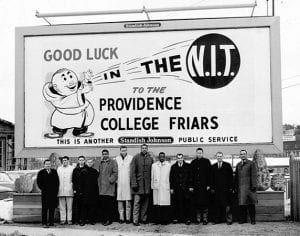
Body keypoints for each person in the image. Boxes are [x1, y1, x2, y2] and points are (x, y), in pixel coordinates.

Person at [130, 144, 153, 226]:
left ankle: (143, 219)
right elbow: (132, 171)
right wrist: (134, 183)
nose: (144, 149)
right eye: (142, 148)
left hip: (147, 185)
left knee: (145, 204)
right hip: (138, 185)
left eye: (145, 148)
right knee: (136, 203)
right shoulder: (136, 157)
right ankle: (135, 220)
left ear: (147, 149)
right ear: (140, 149)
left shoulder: (150, 158)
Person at [189, 147, 212, 225]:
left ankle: (205, 219)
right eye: (198, 153)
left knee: (205, 204)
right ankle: (198, 219)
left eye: (200, 153)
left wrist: (209, 184)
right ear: (196, 153)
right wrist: (191, 186)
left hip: (204, 187)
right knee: (197, 204)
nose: (199, 154)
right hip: (196, 187)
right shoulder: (193, 162)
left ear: (202, 153)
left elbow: (210, 174)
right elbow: (191, 175)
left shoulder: (207, 162)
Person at [235, 149, 258, 224]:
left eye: (244, 154)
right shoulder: (238, 165)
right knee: (242, 205)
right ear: (240, 155)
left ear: (246, 155)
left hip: (249, 188)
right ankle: (243, 220)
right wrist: (236, 186)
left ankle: (253, 220)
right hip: (241, 188)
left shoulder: (251, 163)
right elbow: (236, 177)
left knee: (251, 204)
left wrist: (254, 185)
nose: (243, 155)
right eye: (241, 154)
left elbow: (254, 175)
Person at [211, 152, 234, 225]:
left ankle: (229, 220)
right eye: (218, 156)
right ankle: (216, 220)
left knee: (227, 205)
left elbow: (231, 177)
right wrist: (212, 188)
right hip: (217, 190)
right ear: (216, 157)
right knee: (216, 205)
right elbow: (211, 179)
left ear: (222, 157)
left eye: (220, 156)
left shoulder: (227, 165)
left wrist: (231, 187)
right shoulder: (213, 166)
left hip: (226, 189)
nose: (219, 157)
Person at [169, 153, 192, 225]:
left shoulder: (188, 166)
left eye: (181, 158)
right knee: (176, 204)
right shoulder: (173, 167)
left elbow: (190, 177)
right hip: (176, 188)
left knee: (186, 204)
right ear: (177, 159)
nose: (180, 159)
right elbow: (171, 178)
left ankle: (187, 219)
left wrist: (190, 186)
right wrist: (172, 188)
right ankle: (176, 218)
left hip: (185, 188)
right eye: (178, 158)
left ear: (183, 158)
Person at [37, 159, 59, 228]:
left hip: (53, 194)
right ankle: (44, 223)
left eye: (49, 164)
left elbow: (57, 182)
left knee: (52, 208)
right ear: (44, 165)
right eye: (46, 164)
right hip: (45, 193)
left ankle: (51, 223)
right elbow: (39, 183)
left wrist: (55, 191)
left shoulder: (54, 172)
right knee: (45, 209)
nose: (48, 165)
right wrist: (44, 189)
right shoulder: (41, 172)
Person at [98, 149, 118, 226]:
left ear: (108, 154)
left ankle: (109, 220)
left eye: (106, 154)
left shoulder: (113, 162)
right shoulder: (101, 163)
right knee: (103, 205)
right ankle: (104, 219)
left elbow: (115, 173)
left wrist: (110, 180)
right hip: (102, 188)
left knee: (109, 205)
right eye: (103, 154)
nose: (105, 155)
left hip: (109, 187)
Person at [151, 152, 172, 225]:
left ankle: (165, 220)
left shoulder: (169, 165)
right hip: (157, 187)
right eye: (160, 156)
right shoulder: (154, 165)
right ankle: (157, 220)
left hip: (165, 187)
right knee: (157, 205)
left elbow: (170, 177)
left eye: (163, 156)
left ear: (165, 157)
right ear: (158, 157)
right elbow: (152, 177)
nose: (162, 158)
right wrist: (153, 186)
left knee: (165, 205)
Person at [116, 146, 133, 224]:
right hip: (119, 183)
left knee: (128, 202)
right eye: (122, 150)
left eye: (125, 150)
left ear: (127, 150)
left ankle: (128, 218)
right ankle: (121, 218)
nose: (123, 151)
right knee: (120, 201)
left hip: (127, 182)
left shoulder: (131, 158)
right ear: (120, 151)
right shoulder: (116, 159)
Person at [80, 158, 99, 226]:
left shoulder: (95, 171)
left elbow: (97, 183)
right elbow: (81, 183)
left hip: (93, 192)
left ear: (93, 163)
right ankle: (83, 220)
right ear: (86, 163)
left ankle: (91, 220)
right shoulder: (83, 171)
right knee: (84, 207)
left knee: (92, 207)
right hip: (85, 192)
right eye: (88, 162)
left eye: (91, 162)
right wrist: (81, 192)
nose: (90, 163)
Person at [57, 156, 74, 225]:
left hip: (69, 189)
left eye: (66, 160)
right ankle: (63, 219)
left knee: (69, 206)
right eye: (63, 160)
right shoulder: (59, 169)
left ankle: (69, 219)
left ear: (68, 161)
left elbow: (74, 179)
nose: (64, 161)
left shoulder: (72, 168)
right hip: (60, 189)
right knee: (62, 206)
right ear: (62, 161)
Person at [72, 155, 87, 225]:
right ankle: (77, 220)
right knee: (77, 206)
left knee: (83, 206)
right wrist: (74, 189)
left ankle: (83, 220)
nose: (81, 161)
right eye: (80, 160)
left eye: (82, 160)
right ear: (78, 161)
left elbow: (88, 181)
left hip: (84, 191)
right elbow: (73, 180)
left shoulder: (87, 169)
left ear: (84, 161)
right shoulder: (75, 169)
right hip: (77, 191)